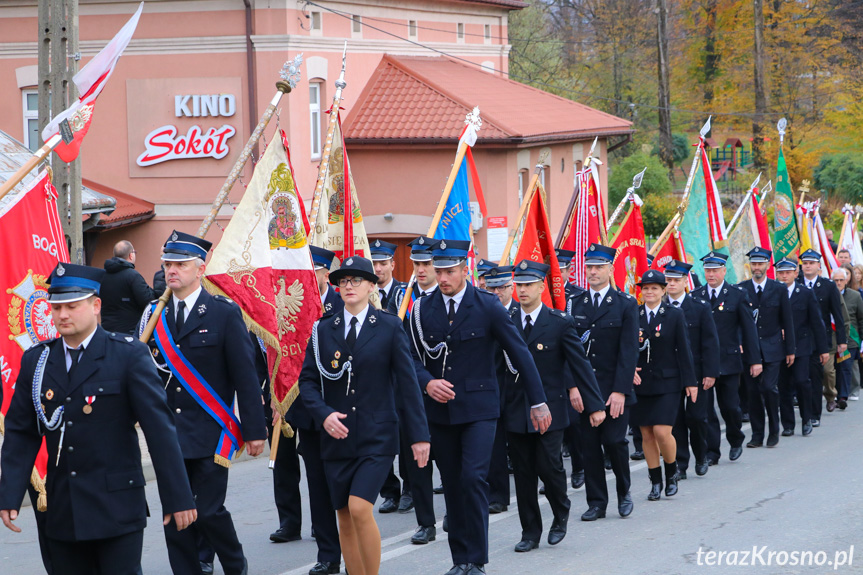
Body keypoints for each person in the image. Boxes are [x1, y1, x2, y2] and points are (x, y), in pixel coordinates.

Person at [0, 263, 196, 575]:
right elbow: (22, 432)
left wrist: (178, 497)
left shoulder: (128, 355)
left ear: (96, 306)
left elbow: (160, 430)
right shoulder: (37, 361)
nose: (63, 315)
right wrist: (9, 494)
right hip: (64, 508)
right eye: (56, 307)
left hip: (117, 506)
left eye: (72, 306)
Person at [409, 239, 550, 575]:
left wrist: (539, 401)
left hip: (480, 410)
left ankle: (478, 560)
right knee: (454, 484)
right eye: (438, 270)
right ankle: (460, 560)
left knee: (473, 479)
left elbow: (520, 353)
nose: (442, 277)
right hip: (440, 413)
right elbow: (409, 358)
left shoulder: (486, 305)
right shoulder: (421, 309)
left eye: (449, 271)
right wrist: (427, 381)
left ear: (464, 270)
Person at [139, 230, 268, 575]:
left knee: (208, 511)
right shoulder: (154, 316)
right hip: (168, 434)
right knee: (174, 516)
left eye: (181, 264)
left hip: (213, 431)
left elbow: (245, 376)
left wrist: (255, 430)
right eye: (168, 264)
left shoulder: (223, 313)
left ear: (200, 267)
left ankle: (235, 565)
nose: (172, 270)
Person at [298, 256, 430, 575]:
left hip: (377, 436)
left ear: (372, 286)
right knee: (343, 513)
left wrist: (419, 437)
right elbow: (308, 381)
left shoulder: (388, 326)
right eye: (343, 281)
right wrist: (323, 414)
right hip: (336, 437)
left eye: (357, 280)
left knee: (359, 508)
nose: (349, 286)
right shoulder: (323, 329)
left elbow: (408, 386)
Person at [504, 260, 605, 552]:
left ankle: (561, 510)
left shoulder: (559, 322)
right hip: (515, 409)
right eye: (518, 284)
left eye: (527, 285)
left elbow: (580, 365)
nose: (522, 290)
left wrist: (595, 404)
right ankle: (530, 532)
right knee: (523, 473)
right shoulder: (505, 320)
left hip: (550, 408)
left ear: (541, 287)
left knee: (549, 467)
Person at [568, 244, 639, 521]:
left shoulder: (625, 303)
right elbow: (569, 351)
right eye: (589, 267)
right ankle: (597, 502)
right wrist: (573, 386)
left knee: (614, 441)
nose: (593, 272)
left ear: (610, 269)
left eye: (598, 267)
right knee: (590, 446)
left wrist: (621, 390)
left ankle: (624, 492)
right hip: (586, 390)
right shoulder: (576, 303)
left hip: (613, 388)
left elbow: (629, 351)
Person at [286, 245, 344, 575]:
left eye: (312, 271)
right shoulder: (289, 308)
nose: (305, 277)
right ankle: (328, 555)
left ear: (324, 274)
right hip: (308, 413)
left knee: (347, 490)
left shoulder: (343, 304)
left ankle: (354, 549)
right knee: (318, 486)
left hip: (342, 412)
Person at [387, 236, 440, 545]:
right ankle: (426, 522)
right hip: (412, 392)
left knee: (448, 461)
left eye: (426, 263)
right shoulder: (401, 300)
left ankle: (457, 515)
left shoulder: (450, 299)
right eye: (417, 264)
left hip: (446, 392)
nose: (420, 269)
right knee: (418, 462)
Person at [632, 270, 697, 501]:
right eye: (645, 288)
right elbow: (626, 348)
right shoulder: (634, 314)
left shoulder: (673, 315)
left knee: (661, 431)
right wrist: (628, 371)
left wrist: (691, 382)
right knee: (646, 433)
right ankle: (655, 481)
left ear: (663, 290)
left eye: (654, 288)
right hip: (641, 383)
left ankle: (672, 472)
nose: (649, 292)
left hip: (668, 382)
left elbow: (684, 349)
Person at [691, 251, 761, 465]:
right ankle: (712, 451)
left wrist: (755, 359)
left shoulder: (737, 295)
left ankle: (735, 438)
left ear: (724, 271)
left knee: (730, 406)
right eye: (707, 270)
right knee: (706, 410)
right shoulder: (696, 295)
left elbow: (749, 330)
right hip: (704, 364)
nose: (711, 274)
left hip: (729, 361)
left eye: (715, 270)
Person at [665, 260, 720, 480]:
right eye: (668, 280)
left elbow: (710, 342)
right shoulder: (661, 307)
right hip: (670, 372)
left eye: (676, 280)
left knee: (697, 417)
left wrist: (710, 372)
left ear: (685, 282)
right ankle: (680, 463)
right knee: (676, 419)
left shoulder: (699, 307)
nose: (671, 284)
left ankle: (701, 455)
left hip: (697, 372)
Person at [738, 247, 796, 448]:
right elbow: (736, 322)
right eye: (754, 263)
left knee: (769, 388)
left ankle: (774, 429)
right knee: (753, 392)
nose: (757, 267)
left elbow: (787, 321)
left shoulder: (778, 289)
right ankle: (757, 434)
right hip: (749, 349)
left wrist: (790, 349)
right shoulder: (741, 289)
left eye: (760, 263)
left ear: (766, 266)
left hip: (773, 347)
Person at [369, 238, 411, 513]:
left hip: (399, 373)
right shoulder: (363, 296)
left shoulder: (405, 294)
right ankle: (389, 490)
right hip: (374, 376)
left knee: (406, 434)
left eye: (383, 263)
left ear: (393, 265)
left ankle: (409, 489)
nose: (378, 268)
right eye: (374, 263)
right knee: (379, 433)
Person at [775, 257, 828, 437]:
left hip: (802, 346)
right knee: (784, 386)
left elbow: (816, 322)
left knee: (801, 381)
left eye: (788, 272)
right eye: (781, 273)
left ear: (795, 273)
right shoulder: (772, 292)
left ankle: (807, 419)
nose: (784, 276)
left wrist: (823, 349)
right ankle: (788, 424)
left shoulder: (804, 293)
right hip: (779, 348)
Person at [800, 249, 847, 425]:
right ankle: (804, 411)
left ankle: (814, 414)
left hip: (821, 338)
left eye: (811, 263)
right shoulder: (795, 283)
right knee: (801, 378)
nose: (808, 266)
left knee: (818, 374)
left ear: (819, 266)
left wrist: (842, 340)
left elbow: (837, 314)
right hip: (799, 338)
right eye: (805, 263)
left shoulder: (827, 286)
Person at [484, 265, 517, 515]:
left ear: (511, 287)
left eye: (502, 287)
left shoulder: (519, 312)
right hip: (492, 385)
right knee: (494, 445)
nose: (497, 292)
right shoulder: (483, 312)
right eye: (492, 287)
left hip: (517, 388)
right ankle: (497, 495)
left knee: (520, 445)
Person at [556, 248, 589, 489]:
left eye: (562, 269)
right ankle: (553, 473)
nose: (558, 274)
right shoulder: (541, 294)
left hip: (572, 367)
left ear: (569, 270)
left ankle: (580, 466)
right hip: (547, 368)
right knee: (550, 426)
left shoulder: (579, 298)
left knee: (574, 423)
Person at [100, 240, 156, 335]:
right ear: (131, 255)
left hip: (107, 331)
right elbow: (147, 301)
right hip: (130, 332)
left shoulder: (102, 276)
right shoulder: (133, 276)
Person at [832, 267, 860, 409]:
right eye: (835, 280)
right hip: (832, 339)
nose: (838, 283)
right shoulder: (828, 295)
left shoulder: (855, 296)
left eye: (841, 280)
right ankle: (834, 394)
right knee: (833, 368)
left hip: (850, 340)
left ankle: (843, 396)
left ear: (846, 280)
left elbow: (861, 319)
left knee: (845, 367)